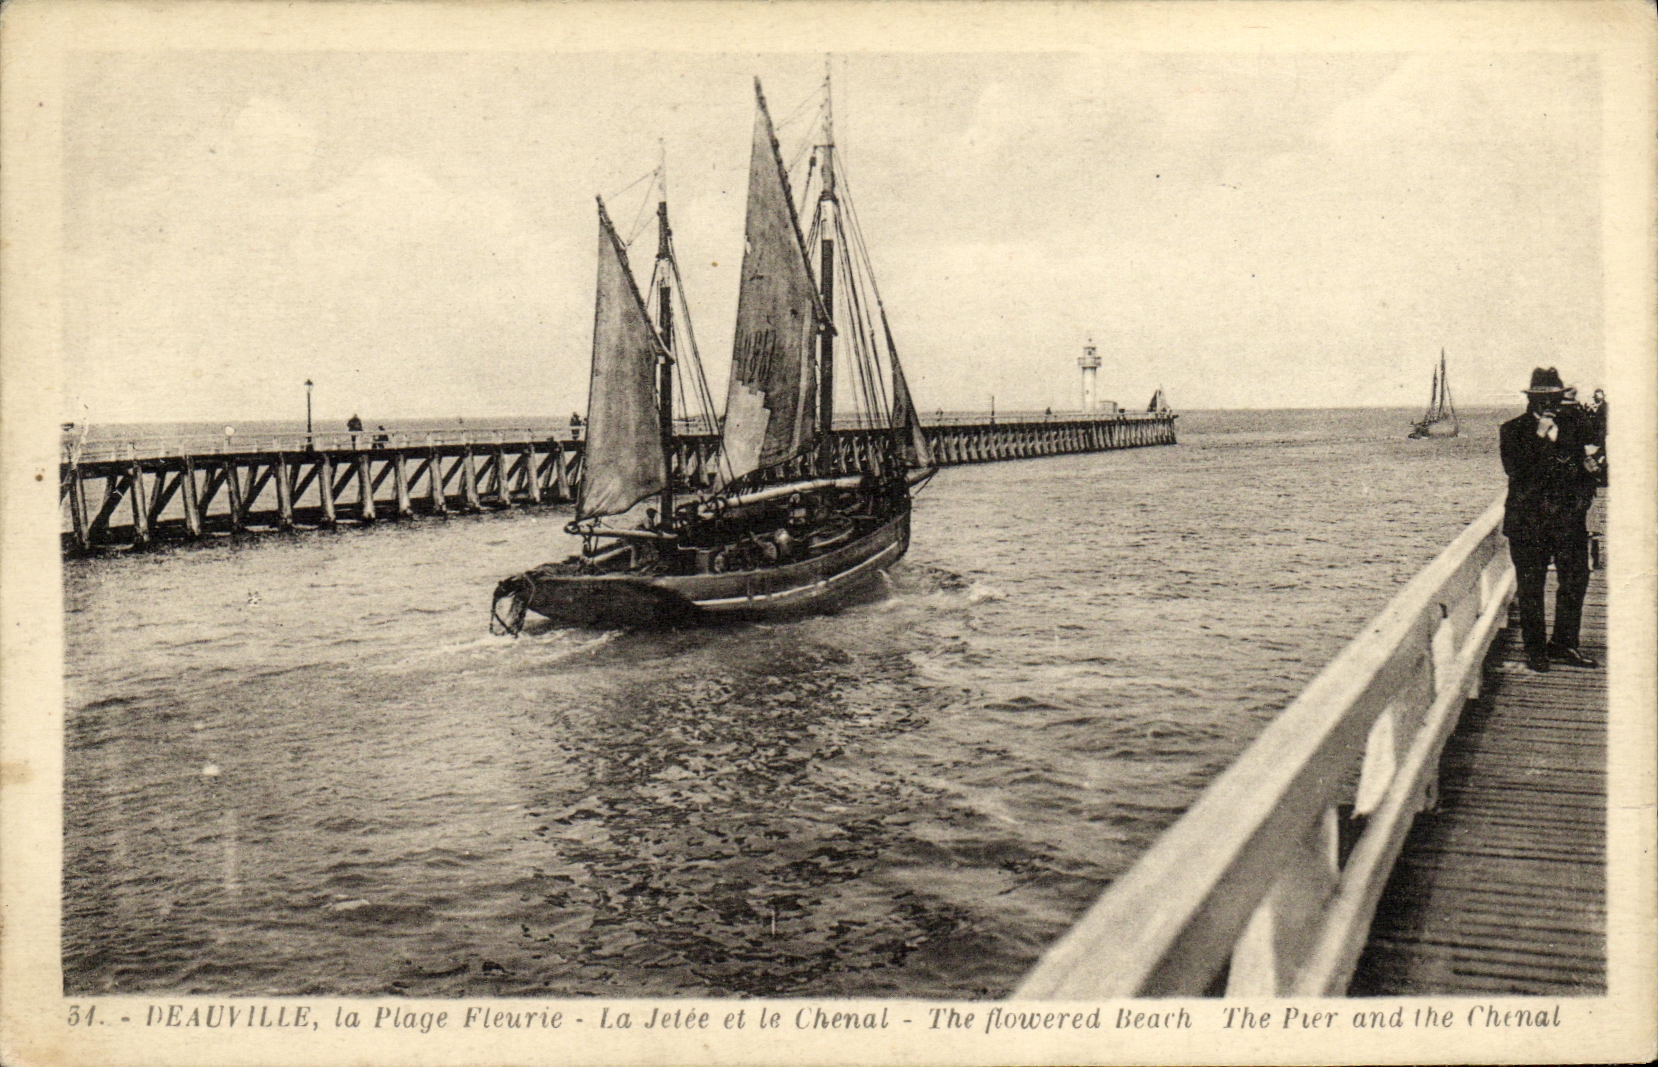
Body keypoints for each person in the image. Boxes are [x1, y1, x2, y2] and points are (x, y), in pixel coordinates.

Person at [1499, 367, 1598, 672]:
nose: (1548, 405)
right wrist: (1540, 435)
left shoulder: (1575, 426)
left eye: (1554, 398)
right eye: (1541, 399)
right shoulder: (1513, 430)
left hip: (1568, 523)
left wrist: (1592, 472)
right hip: (1528, 524)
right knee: (1531, 588)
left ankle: (1564, 644)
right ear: (1530, 400)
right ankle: (1535, 650)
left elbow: (1588, 468)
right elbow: (1516, 471)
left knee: (1575, 581)